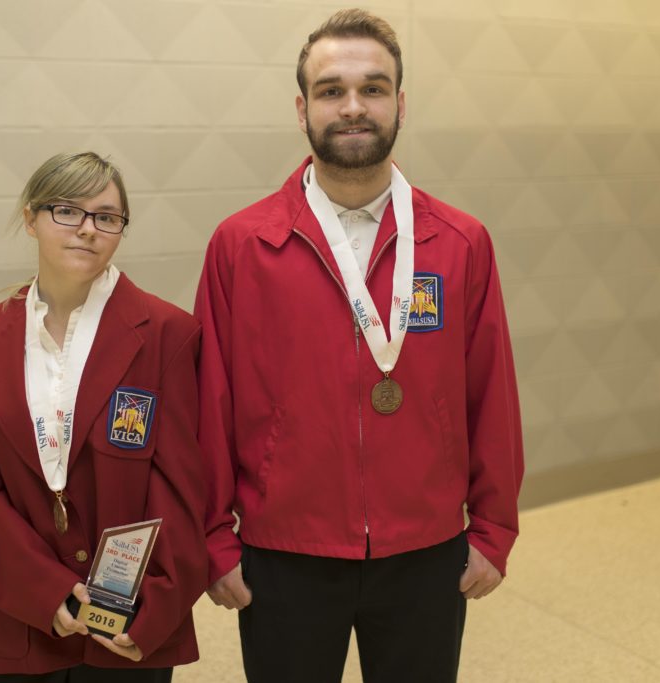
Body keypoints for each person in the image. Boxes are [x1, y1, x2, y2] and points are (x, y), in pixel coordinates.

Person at [194, 9, 524, 683]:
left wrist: (493, 527)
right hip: (284, 551)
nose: (353, 107)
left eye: (373, 88)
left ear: (400, 104)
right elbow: (210, 400)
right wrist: (212, 537)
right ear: (301, 107)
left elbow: (491, 392)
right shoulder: (243, 245)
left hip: (427, 549)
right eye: (330, 90)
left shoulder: (461, 242)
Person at [0, 152, 208, 682]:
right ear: (31, 219)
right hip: (19, 610)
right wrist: (42, 587)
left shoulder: (170, 336)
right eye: (67, 211)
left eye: (107, 217)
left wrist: (157, 600)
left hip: (129, 616)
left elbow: (182, 483)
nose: (87, 230)